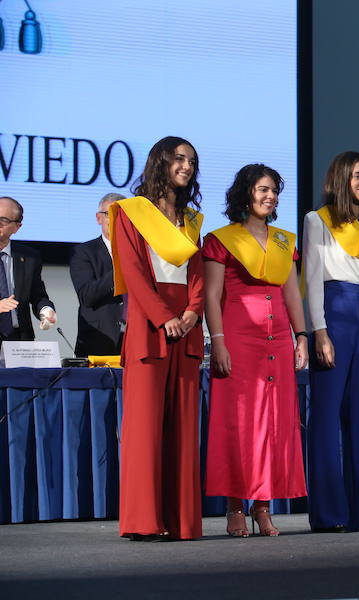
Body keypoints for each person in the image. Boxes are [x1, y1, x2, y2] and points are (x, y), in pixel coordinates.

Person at [203, 164, 309, 537]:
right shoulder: (221, 239)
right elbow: (212, 296)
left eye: (275, 191)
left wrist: (301, 335)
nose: (270, 197)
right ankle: (235, 507)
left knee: (273, 426)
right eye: (263, 189)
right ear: (245, 194)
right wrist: (217, 341)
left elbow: (291, 291)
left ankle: (263, 507)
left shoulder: (285, 241)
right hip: (238, 339)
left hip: (277, 339)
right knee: (239, 424)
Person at [110, 136, 204, 540]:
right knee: (144, 429)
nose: (186, 165)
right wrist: (165, 317)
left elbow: (198, 274)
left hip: (186, 324)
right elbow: (132, 272)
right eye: (179, 158)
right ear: (160, 161)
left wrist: (190, 312)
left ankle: (180, 521)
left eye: (191, 161)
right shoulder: (131, 214)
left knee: (183, 430)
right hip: (150, 326)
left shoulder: (192, 219)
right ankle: (144, 521)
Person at [302, 151, 359, 533]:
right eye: (356, 175)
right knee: (326, 416)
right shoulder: (317, 220)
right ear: (341, 179)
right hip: (334, 310)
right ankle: (330, 513)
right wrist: (318, 330)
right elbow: (311, 279)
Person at [70, 193, 127, 356]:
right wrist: (123, 265)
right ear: (99, 218)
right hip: (98, 340)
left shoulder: (141, 253)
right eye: (110, 214)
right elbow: (87, 296)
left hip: (134, 338)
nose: (116, 219)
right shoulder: (83, 252)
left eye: (122, 215)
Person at [0, 196, 56, 344]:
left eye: (3, 220)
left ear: (17, 227)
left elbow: (38, 296)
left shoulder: (29, 257)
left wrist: (46, 310)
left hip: (19, 341)